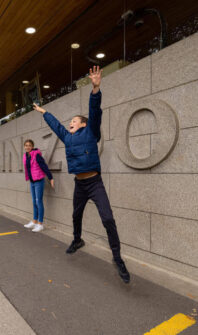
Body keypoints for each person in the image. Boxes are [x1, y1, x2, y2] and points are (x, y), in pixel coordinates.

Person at [33, 66, 130, 283]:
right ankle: (77, 240)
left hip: (94, 183)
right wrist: (44, 113)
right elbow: (57, 126)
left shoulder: (91, 131)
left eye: (74, 121)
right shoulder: (67, 137)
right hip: (80, 184)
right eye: (71, 123)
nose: (70, 124)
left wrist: (95, 89)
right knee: (76, 216)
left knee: (108, 218)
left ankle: (117, 257)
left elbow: (95, 111)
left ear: (83, 124)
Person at [23, 139, 54, 233]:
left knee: (38, 201)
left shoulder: (36, 155)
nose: (27, 147)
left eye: (29, 145)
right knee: (34, 201)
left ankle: (40, 224)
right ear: (24, 147)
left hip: (39, 181)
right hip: (32, 181)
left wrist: (51, 178)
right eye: (26, 145)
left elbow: (44, 166)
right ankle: (34, 221)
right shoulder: (25, 156)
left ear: (32, 146)